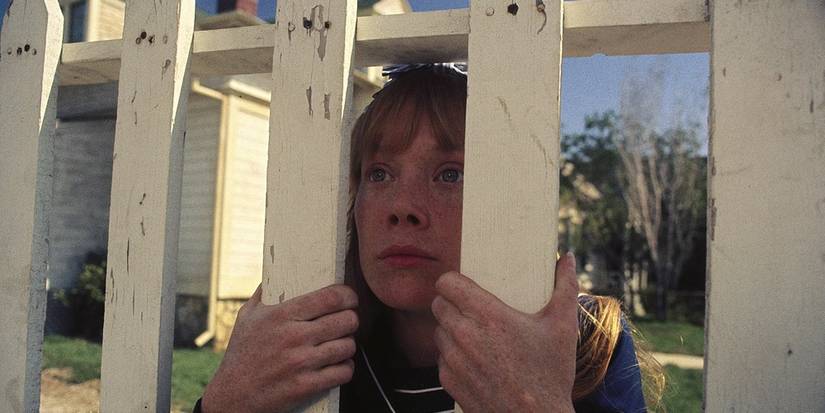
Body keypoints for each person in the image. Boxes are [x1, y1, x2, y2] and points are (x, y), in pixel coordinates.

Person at [196, 65, 663, 413]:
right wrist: (223, 404)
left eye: (450, 174)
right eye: (379, 173)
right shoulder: (311, 352)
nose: (403, 207)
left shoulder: (588, 342)